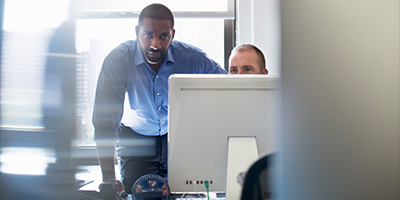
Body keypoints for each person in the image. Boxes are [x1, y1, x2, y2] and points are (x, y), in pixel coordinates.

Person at [92, 3, 227, 195]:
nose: (155, 44)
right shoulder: (118, 60)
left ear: (172, 34)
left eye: (163, 36)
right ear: (137, 32)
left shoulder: (191, 58)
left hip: (176, 135)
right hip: (136, 136)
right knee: (135, 192)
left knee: (182, 190)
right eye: (148, 35)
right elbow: (105, 122)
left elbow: (227, 87)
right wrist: (108, 179)